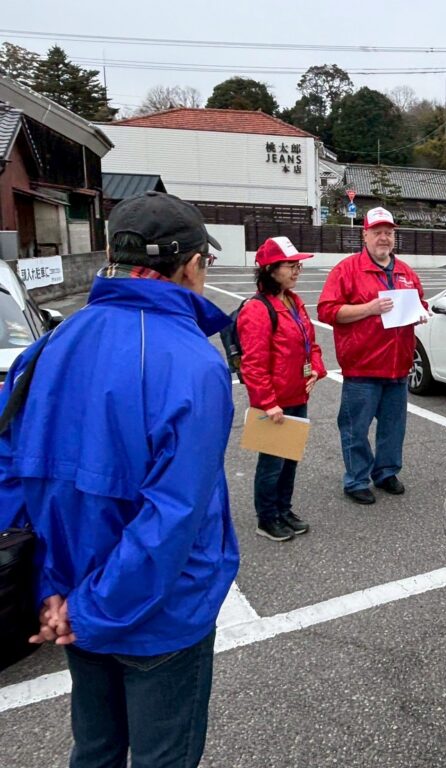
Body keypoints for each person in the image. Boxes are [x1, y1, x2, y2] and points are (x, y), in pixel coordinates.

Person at [0, 191, 238, 768]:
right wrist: (90, 607)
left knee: (96, 747)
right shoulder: (194, 362)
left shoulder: (47, 347)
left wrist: (54, 591)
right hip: (160, 613)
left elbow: (15, 478)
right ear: (192, 264)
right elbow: (173, 515)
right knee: (164, 756)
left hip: (70, 594)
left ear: (112, 255)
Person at [317, 206, 427, 505]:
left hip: (398, 367)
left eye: (388, 232)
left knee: (393, 428)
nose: (384, 238)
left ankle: (386, 472)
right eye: (377, 232)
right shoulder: (347, 270)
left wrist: (421, 312)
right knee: (355, 429)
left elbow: (420, 302)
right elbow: (327, 311)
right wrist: (369, 309)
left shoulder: (405, 272)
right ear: (364, 235)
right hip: (362, 367)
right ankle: (356, 479)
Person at [239, 236, 327, 542]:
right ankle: (267, 518)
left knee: (289, 460)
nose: (297, 271)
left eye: (297, 265)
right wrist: (267, 402)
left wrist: (316, 369)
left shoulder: (294, 301)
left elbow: (311, 344)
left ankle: (283, 510)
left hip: (297, 396)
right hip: (275, 402)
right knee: (272, 463)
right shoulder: (257, 309)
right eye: (291, 265)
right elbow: (253, 364)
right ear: (270, 269)